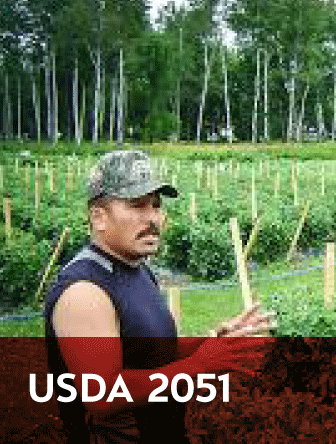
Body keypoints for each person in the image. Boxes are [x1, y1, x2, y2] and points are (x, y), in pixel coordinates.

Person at [43, 150, 274, 443]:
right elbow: (100, 394)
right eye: (137, 206)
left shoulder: (134, 269)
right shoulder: (85, 291)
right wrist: (199, 366)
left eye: (155, 206)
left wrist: (213, 342)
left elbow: (148, 354)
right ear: (98, 217)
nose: (152, 218)